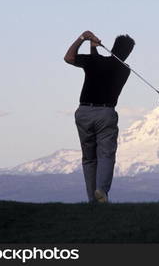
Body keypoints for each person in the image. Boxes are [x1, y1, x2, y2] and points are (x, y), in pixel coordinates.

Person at [64, 31, 135, 203]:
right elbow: (101, 65)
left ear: (112, 48)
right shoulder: (125, 70)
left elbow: (69, 57)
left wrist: (84, 38)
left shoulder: (95, 61)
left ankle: (92, 199)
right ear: (128, 53)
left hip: (84, 113)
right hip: (105, 113)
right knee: (106, 155)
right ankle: (101, 191)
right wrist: (93, 48)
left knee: (89, 158)